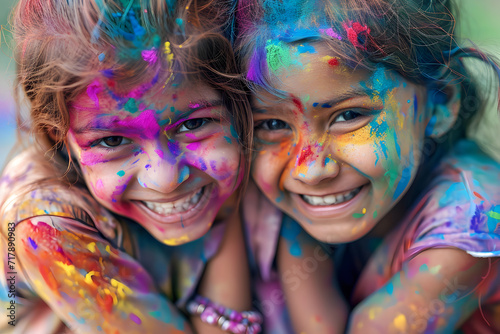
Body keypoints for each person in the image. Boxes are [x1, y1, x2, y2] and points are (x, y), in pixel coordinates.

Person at [235, 0, 500, 332]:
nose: (310, 170)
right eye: (272, 125)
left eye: (348, 116)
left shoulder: (473, 224)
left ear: (440, 102)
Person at [0, 0, 259, 333]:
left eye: (193, 125)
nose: (165, 179)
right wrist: (230, 217)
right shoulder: (44, 223)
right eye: (112, 142)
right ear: (60, 136)